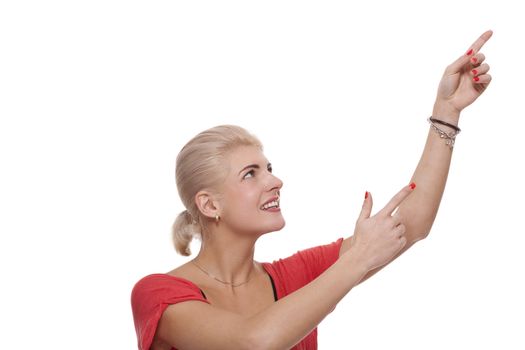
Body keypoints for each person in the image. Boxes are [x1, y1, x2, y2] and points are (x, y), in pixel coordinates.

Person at [131, 30, 493, 350]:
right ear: (209, 205)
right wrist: (356, 260)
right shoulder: (159, 294)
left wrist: (446, 112)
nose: (275, 181)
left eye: (269, 169)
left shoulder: (291, 278)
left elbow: (410, 226)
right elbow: (253, 341)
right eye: (250, 174)